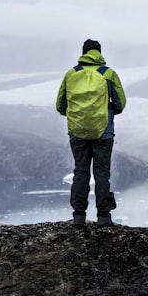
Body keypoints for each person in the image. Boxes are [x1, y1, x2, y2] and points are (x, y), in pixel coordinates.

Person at [56, 39, 127, 226]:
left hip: (77, 132)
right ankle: (104, 216)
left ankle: (78, 216)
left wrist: (76, 117)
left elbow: (60, 105)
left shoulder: (71, 74)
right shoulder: (108, 74)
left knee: (81, 171)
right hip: (103, 131)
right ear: (99, 53)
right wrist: (107, 111)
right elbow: (120, 103)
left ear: (83, 52)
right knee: (101, 172)